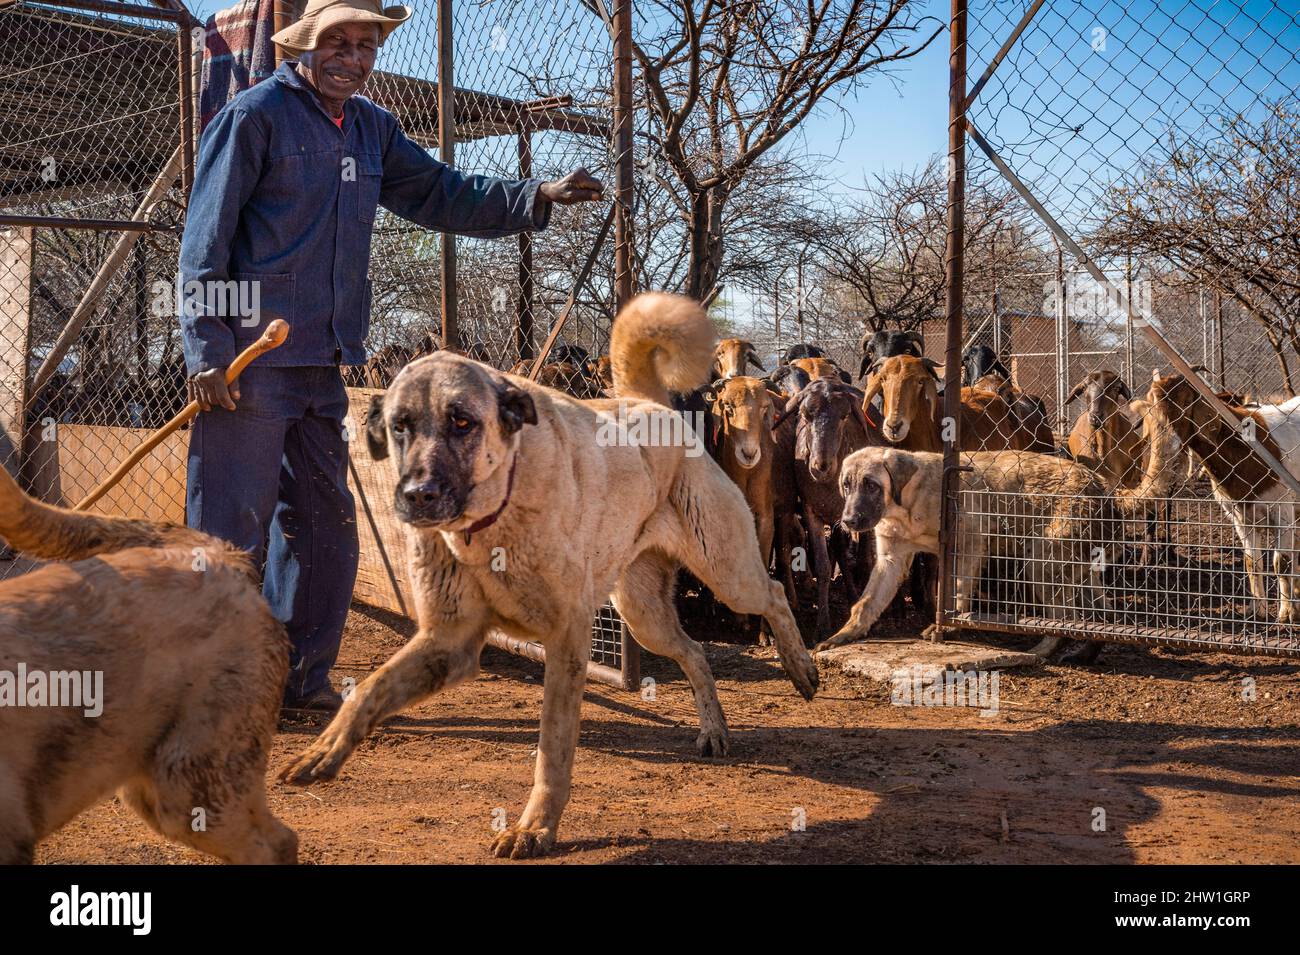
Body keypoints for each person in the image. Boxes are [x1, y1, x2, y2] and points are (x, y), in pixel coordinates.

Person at [178, 0, 604, 711]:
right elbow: (203, 244)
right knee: (228, 533)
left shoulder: (373, 130)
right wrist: (206, 349)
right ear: (305, 44)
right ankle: (201, 692)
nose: (352, 57)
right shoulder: (254, 117)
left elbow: (443, 192)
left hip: (324, 362)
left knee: (325, 529)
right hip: (250, 363)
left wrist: (536, 194)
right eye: (337, 42)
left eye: (365, 44)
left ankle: (297, 682)